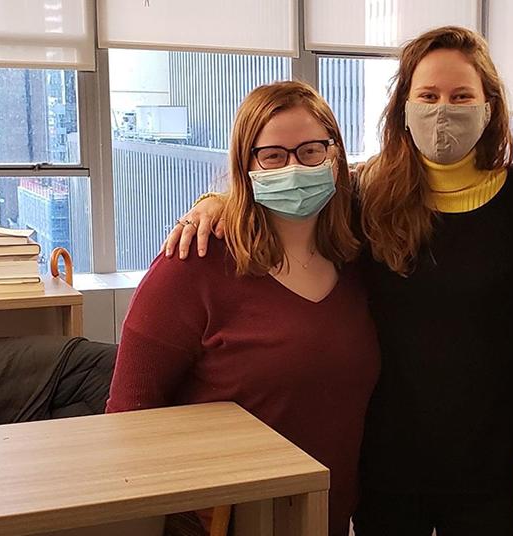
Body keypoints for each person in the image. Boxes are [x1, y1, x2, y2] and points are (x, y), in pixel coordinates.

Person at [166, 27, 513, 535]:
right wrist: (216, 201)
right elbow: (287, 194)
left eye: (462, 96)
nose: (444, 111)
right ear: (404, 107)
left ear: (489, 107)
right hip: (388, 464)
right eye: (429, 96)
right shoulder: (367, 196)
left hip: (499, 464)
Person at [106, 81, 381, 536]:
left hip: (323, 519)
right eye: (273, 156)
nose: (295, 168)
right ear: (246, 164)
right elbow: (128, 421)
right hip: (221, 523)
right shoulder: (192, 263)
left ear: (335, 156)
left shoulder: (359, 256)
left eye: (311, 151)